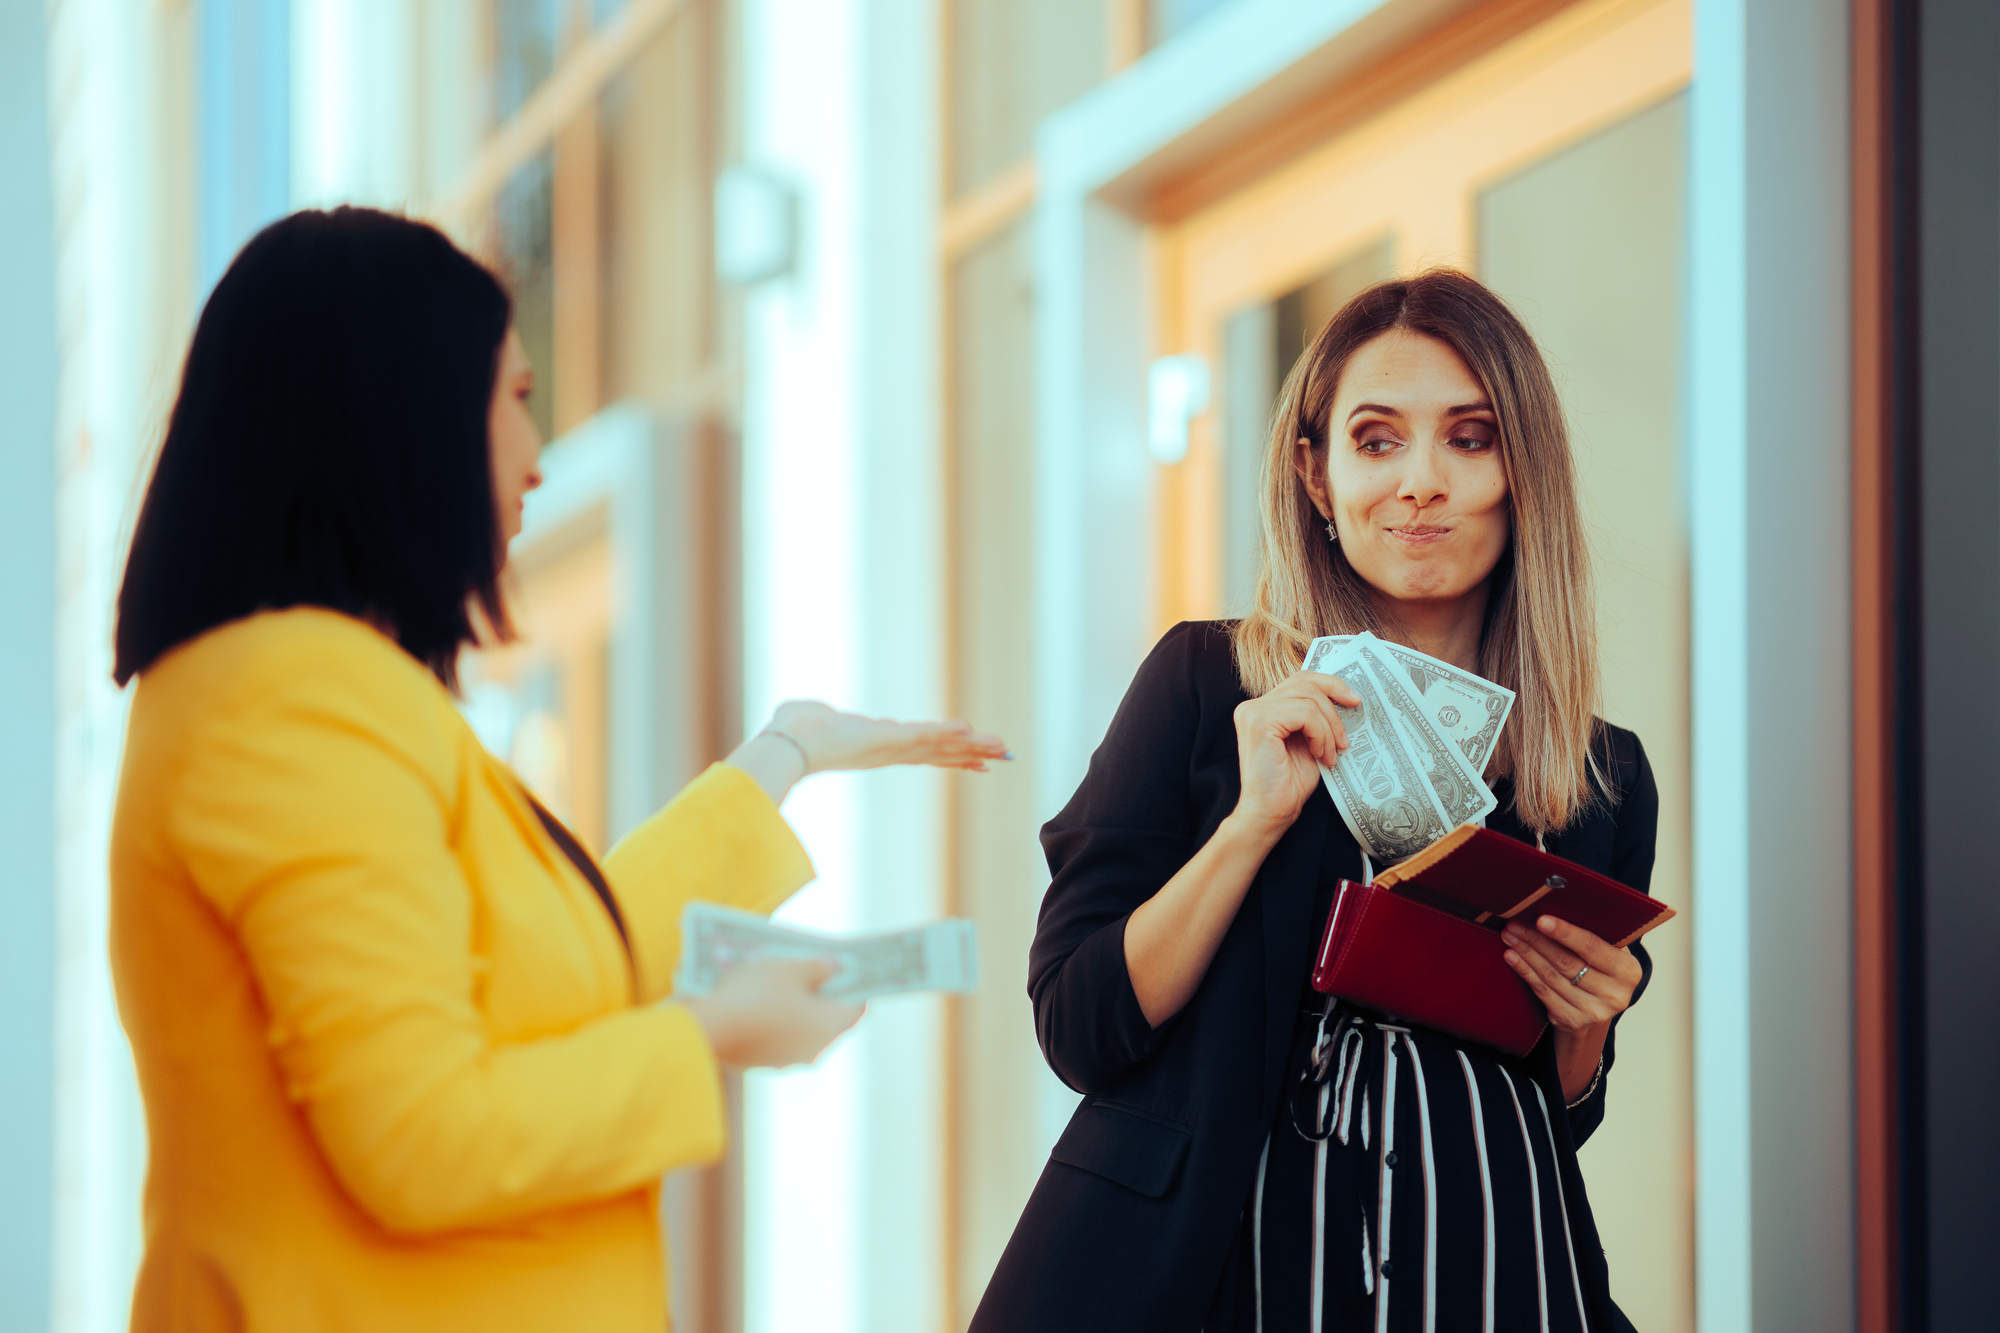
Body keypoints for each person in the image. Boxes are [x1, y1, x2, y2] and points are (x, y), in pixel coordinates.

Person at [108, 206, 1008, 1332]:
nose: (537, 455)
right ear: (407, 413)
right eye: (518, 399)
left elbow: (553, 969)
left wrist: (784, 754)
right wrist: (712, 1032)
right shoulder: (293, 704)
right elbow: (421, 1133)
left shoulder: (317, 692)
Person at [972, 269, 1656, 1332]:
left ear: (1522, 473)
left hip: (1488, 1265)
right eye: (1376, 440)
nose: (1420, 482)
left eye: (1468, 439)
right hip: (1222, 1268)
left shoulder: (1596, 773)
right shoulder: (1207, 686)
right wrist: (1250, 825)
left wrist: (1583, 1029)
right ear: (1316, 477)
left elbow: (1555, 1112)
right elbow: (1080, 1024)